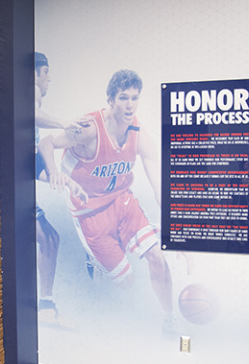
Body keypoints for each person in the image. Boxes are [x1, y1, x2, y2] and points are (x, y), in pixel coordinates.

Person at [38, 69, 175, 334]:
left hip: (123, 203)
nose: (130, 104)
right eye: (124, 98)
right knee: (126, 282)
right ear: (111, 100)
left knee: (156, 257)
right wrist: (54, 171)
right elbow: (46, 142)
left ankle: (170, 320)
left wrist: (163, 199)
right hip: (91, 215)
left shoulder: (135, 127)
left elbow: (151, 158)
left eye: (135, 98)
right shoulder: (90, 129)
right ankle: (94, 256)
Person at [34, 52, 86, 322]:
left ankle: (45, 304)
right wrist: (62, 122)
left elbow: (31, 164)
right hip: (2, 189)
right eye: (46, 72)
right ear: (35, 74)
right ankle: (43, 305)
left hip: (16, 182)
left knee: (51, 238)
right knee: (47, 238)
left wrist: (66, 181)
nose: (49, 78)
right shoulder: (30, 94)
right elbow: (31, 113)